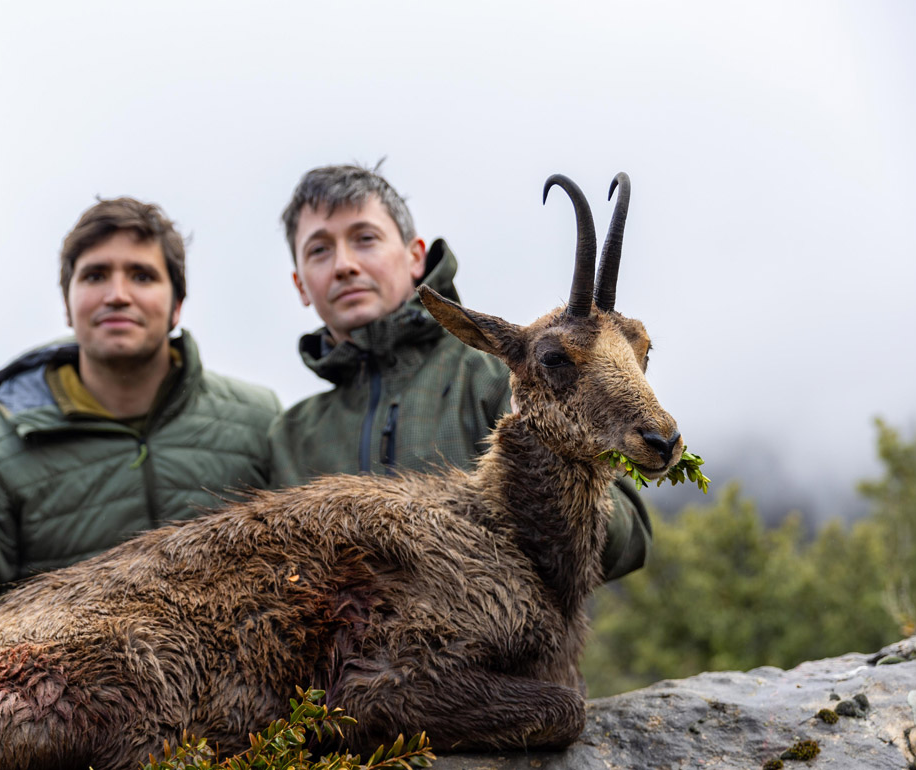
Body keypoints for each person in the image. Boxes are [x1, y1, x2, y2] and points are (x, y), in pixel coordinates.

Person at [0, 198, 280, 754]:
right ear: (68, 304)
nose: (117, 293)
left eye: (142, 275)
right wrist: (56, 649)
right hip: (52, 697)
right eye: (95, 275)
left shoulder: (256, 420)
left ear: (177, 304)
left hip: (228, 685)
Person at [268, 163, 653, 580]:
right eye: (319, 249)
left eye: (365, 239)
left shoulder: (498, 376)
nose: (344, 264)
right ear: (300, 285)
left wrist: (549, 455)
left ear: (415, 256)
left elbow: (628, 542)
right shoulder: (291, 436)